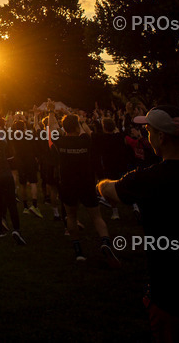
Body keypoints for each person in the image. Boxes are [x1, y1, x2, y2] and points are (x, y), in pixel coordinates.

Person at [98, 105, 179, 342]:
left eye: (149, 130)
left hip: (169, 295)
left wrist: (105, 183)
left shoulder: (148, 179)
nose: (146, 135)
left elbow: (107, 189)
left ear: (161, 137)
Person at [47, 113, 120, 266]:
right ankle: (105, 242)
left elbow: (52, 129)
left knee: (71, 217)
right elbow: (87, 131)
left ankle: (78, 251)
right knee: (96, 217)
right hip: (86, 182)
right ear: (76, 126)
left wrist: (51, 112)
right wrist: (80, 121)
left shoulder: (60, 141)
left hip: (68, 183)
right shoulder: (85, 140)